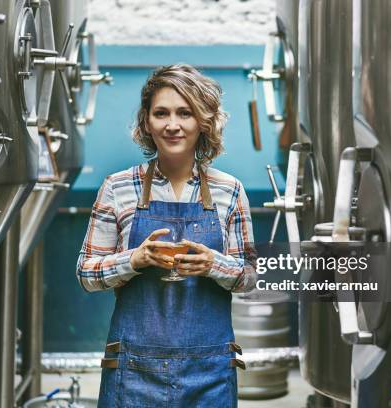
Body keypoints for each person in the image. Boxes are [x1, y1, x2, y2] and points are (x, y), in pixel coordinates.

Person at [76, 63, 256, 407]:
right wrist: (135, 259)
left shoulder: (229, 191)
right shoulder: (117, 188)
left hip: (209, 373)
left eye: (184, 113)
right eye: (161, 113)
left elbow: (249, 277)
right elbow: (86, 273)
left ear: (203, 121)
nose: (172, 125)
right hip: (133, 372)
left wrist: (213, 264)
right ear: (147, 121)